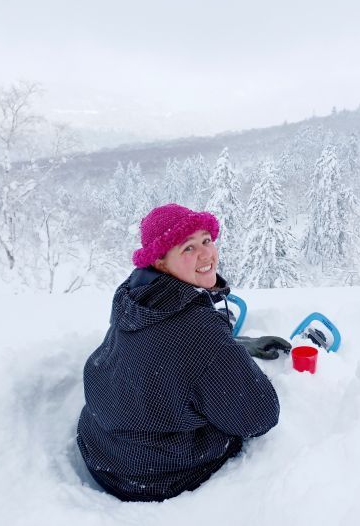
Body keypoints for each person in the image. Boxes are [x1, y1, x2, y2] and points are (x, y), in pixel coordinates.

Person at [76, 203, 288, 502]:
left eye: (206, 240)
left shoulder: (133, 295)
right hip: (153, 476)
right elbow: (259, 417)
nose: (205, 254)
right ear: (160, 261)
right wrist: (224, 350)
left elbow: (168, 352)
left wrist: (218, 346)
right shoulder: (201, 334)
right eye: (188, 248)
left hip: (102, 446)